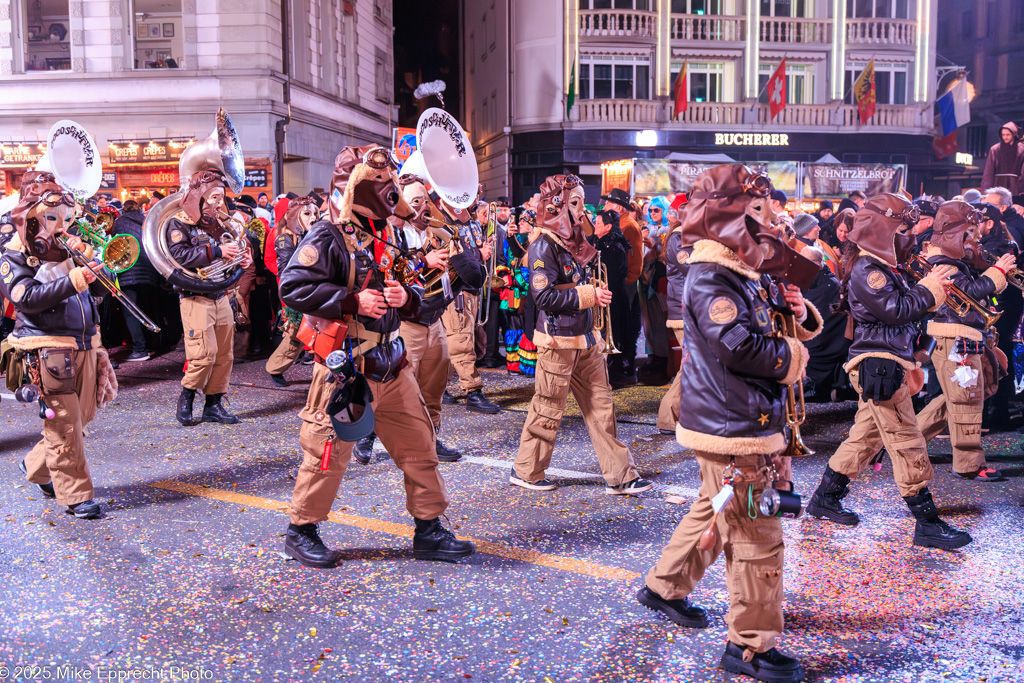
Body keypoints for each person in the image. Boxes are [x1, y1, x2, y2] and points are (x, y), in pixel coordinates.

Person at [640, 165, 818, 683]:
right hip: (733, 427)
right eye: (760, 215)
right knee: (757, 535)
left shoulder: (742, 272)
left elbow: (764, 327)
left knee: (716, 511)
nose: (773, 225)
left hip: (742, 421)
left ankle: (663, 585)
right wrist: (794, 354)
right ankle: (750, 646)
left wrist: (796, 310)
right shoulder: (713, 277)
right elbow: (740, 346)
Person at [278, 145, 474, 568]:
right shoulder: (328, 236)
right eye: (384, 189)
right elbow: (291, 286)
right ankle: (301, 530)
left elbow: (415, 293)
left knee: (420, 447)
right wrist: (350, 301)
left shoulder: (387, 236)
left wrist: (408, 298)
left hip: (393, 364)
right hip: (348, 371)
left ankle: (429, 530)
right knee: (327, 455)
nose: (395, 201)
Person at [805, 193, 973, 551]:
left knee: (865, 438)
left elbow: (903, 311)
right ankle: (927, 522)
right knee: (906, 439)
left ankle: (826, 497)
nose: (910, 236)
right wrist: (929, 290)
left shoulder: (880, 265)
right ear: (884, 230)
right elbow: (896, 310)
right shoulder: (870, 269)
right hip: (878, 363)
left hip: (887, 359)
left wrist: (927, 290)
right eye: (903, 229)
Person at [512, 175, 653, 495]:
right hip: (557, 339)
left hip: (585, 338)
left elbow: (583, 282)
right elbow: (543, 297)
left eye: (580, 201)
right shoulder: (543, 244)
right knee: (548, 407)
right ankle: (527, 470)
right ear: (556, 206)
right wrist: (588, 297)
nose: (583, 210)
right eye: (574, 203)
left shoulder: (574, 239)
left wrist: (595, 322)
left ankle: (621, 474)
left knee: (602, 407)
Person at [1, 170, 119, 520]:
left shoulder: (69, 246)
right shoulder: (14, 252)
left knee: (82, 416)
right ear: (31, 215)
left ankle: (37, 466)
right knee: (65, 423)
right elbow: (25, 297)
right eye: (52, 218)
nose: (61, 225)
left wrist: (97, 266)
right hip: (47, 347)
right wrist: (74, 279)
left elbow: (103, 291)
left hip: (85, 341)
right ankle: (75, 495)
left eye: (66, 218)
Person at [366, 172, 486, 465]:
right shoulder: (391, 235)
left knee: (433, 388)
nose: (421, 208)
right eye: (415, 201)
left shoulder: (437, 231)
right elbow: (388, 275)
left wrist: (461, 253)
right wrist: (424, 259)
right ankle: (366, 434)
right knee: (391, 386)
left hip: (435, 320)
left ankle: (431, 436)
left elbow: (472, 277)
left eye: (424, 200)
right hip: (406, 324)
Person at [914, 201, 1012, 481]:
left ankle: (905, 440)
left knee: (958, 400)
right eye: (970, 231)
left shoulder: (948, 259)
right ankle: (969, 464)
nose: (976, 236)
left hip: (959, 338)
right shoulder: (943, 263)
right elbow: (968, 293)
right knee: (967, 401)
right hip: (955, 340)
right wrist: (999, 272)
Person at [168, 170, 252, 426]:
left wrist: (243, 260)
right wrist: (217, 250)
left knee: (225, 354)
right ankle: (188, 396)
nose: (218, 203)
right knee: (204, 353)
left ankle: (213, 405)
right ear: (199, 197)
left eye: (221, 197)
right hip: (196, 297)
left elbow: (234, 250)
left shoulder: (221, 223)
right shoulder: (180, 222)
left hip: (221, 294)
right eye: (213, 197)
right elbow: (179, 255)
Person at [265, 195, 318, 386]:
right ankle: (275, 368)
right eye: (306, 213)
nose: (313, 217)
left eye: (314, 213)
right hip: (298, 294)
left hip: (313, 291)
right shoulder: (285, 238)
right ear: (295, 216)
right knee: (296, 335)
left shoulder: (308, 234)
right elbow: (286, 270)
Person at [600, 188, 642, 386]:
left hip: (624, 283)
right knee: (620, 323)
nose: (605, 206)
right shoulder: (622, 223)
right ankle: (620, 366)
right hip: (621, 281)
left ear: (617, 207)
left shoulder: (627, 225)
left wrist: (626, 280)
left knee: (625, 324)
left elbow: (634, 260)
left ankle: (624, 367)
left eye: (608, 204)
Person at [110, 200, 160, 362]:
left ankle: (140, 349)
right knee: (146, 309)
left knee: (131, 312)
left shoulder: (119, 222)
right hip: (149, 270)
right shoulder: (147, 221)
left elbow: (115, 247)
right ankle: (152, 345)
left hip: (129, 270)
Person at [655, 210, 690, 434]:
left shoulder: (683, 236)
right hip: (684, 310)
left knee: (692, 365)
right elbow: (692, 267)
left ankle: (679, 417)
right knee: (691, 365)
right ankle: (668, 417)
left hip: (687, 308)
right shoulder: (679, 237)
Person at [480, 197, 511, 368]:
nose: (502, 212)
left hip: (491, 281)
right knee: (491, 320)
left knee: (494, 319)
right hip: (490, 282)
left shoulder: (496, 230)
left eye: (506, 209)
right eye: (499, 209)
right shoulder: (495, 231)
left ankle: (489, 354)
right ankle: (490, 355)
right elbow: (500, 257)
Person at [981, 123, 1024, 194]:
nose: (1005, 137)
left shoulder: (1022, 149)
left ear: (1014, 134)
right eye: (1003, 135)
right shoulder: (995, 149)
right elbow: (988, 172)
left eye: (1008, 135)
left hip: (1016, 187)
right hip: (998, 186)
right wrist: (985, 191)